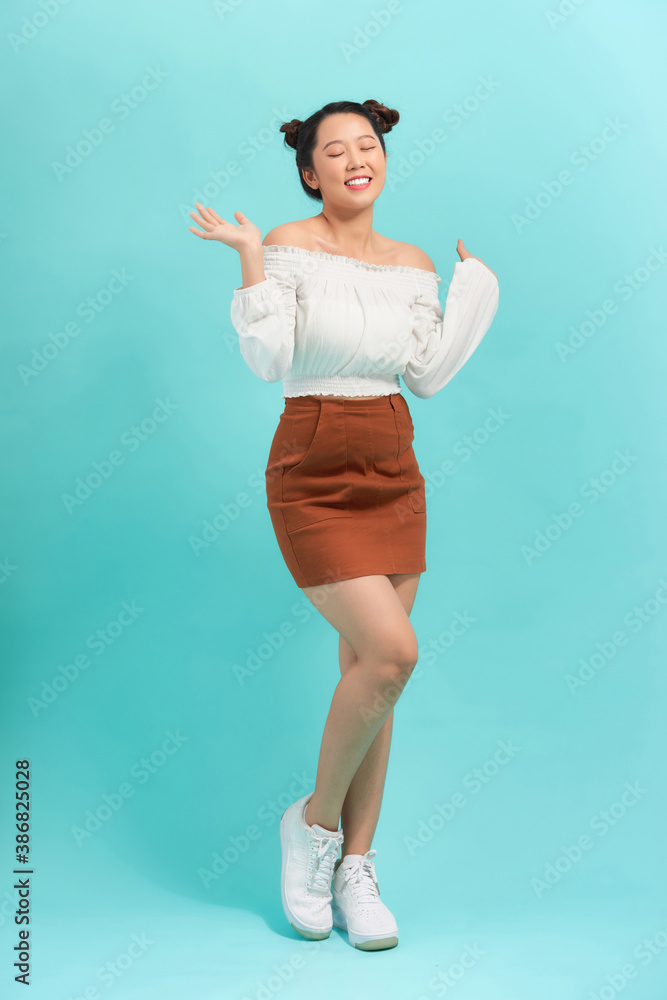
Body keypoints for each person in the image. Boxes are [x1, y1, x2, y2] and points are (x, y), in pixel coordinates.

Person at [188, 98, 500, 951]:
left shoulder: (410, 262)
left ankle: (356, 867)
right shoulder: (287, 243)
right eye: (336, 149)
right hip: (314, 466)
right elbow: (268, 360)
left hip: (392, 463)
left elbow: (426, 375)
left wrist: (475, 290)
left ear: (382, 162)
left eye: (369, 146)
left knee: (375, 674)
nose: (356, 158)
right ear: (308, 170)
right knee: (393, 653)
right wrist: (252, 259)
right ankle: (314, 826)